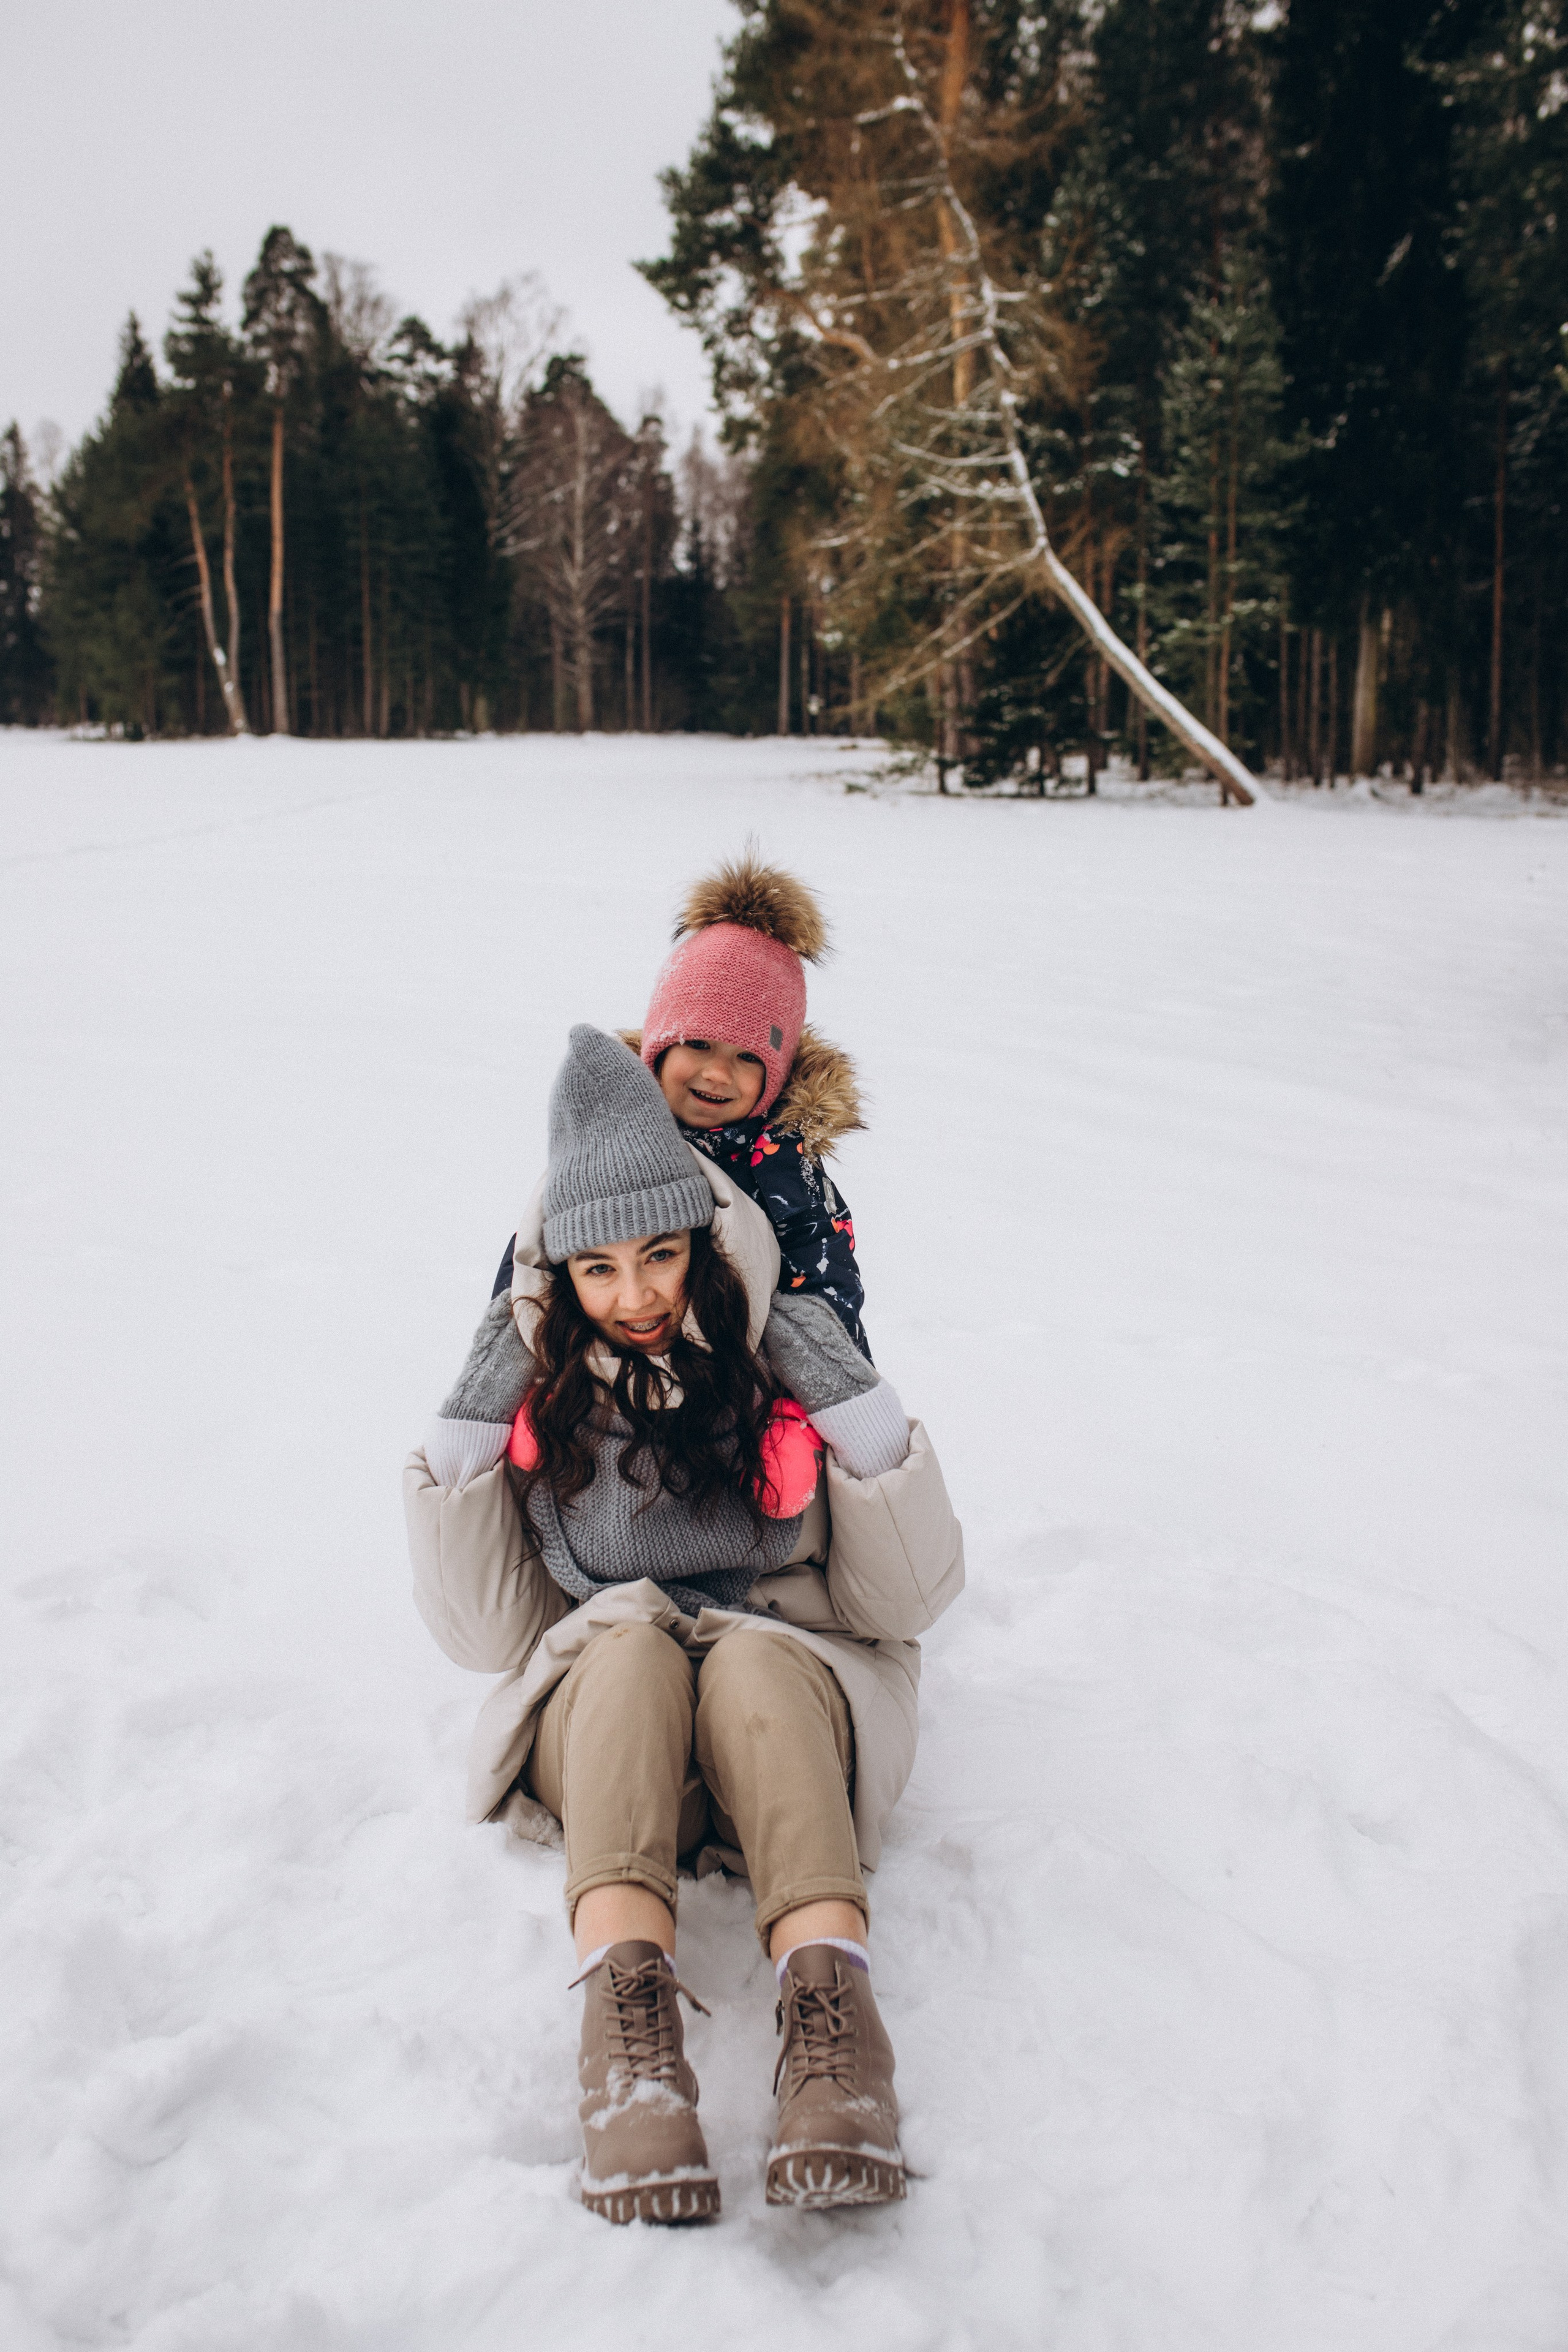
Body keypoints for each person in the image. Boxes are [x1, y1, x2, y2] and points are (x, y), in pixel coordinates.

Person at [407, 1025, 963, 2222]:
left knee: (757, 1655)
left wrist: (847, 1397)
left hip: (788, 1735)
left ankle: (834, 2041)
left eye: (659, 1255)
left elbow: (904, 1603)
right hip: (616, 1744)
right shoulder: (548, 1389)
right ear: (558, 1278)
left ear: (702, 1249)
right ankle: (629, 2044)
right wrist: (467, 1424)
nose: (635, 1295)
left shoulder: (770, 1360)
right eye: (596, 1270)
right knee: (623, 1645)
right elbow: (486, 1635)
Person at [492, 854, 872, 1357]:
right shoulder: (608, 1137)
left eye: (746, 1057)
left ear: (776, 1073)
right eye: (697, 1045)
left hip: (744, 1386)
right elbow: (532, 1264)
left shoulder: (784, 1168)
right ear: (659, 1048)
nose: (717, 1073)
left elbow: (829, 1292)